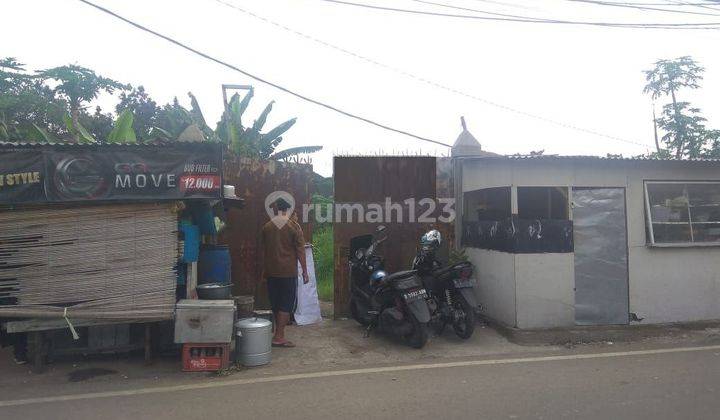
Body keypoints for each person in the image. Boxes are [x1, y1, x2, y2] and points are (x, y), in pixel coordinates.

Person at [259, 198, 308, 348]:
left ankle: (277, 334)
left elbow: (264, 251)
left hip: (272, 271)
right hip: (287, 272)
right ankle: (279, 336)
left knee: (276, 302)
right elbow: (300, 251)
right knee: (286, 304)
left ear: (276, 208)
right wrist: (305, 271)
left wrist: (264, 271)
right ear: (289, 209)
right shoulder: (294, 226)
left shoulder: (267, 226)